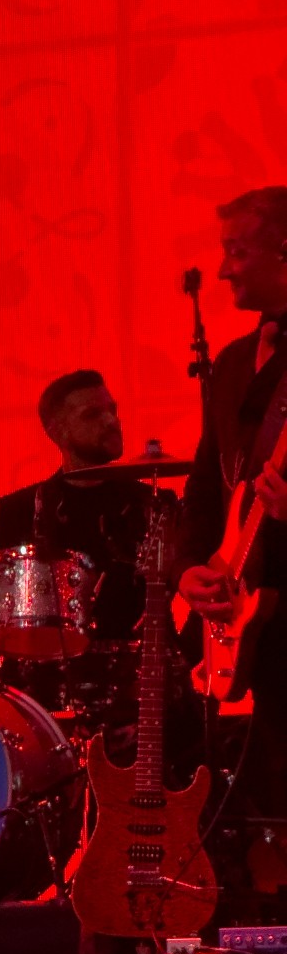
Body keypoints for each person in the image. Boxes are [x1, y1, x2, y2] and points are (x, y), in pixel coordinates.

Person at [0, 371, 199, 772]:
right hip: (51, 686)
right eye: (92, 414)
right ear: (57, 431)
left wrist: (183, 656)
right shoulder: (20, 511)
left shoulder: (154, 503)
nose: (111, 421)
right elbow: (2, 617)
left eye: (112, 410)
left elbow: (199, 589)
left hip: (146, 686)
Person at [177, 188, 287, 823]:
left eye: (237, 252)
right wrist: (189, 568)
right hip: (251, 622)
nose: (222, 270)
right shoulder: (235, 361)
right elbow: (204, 488)